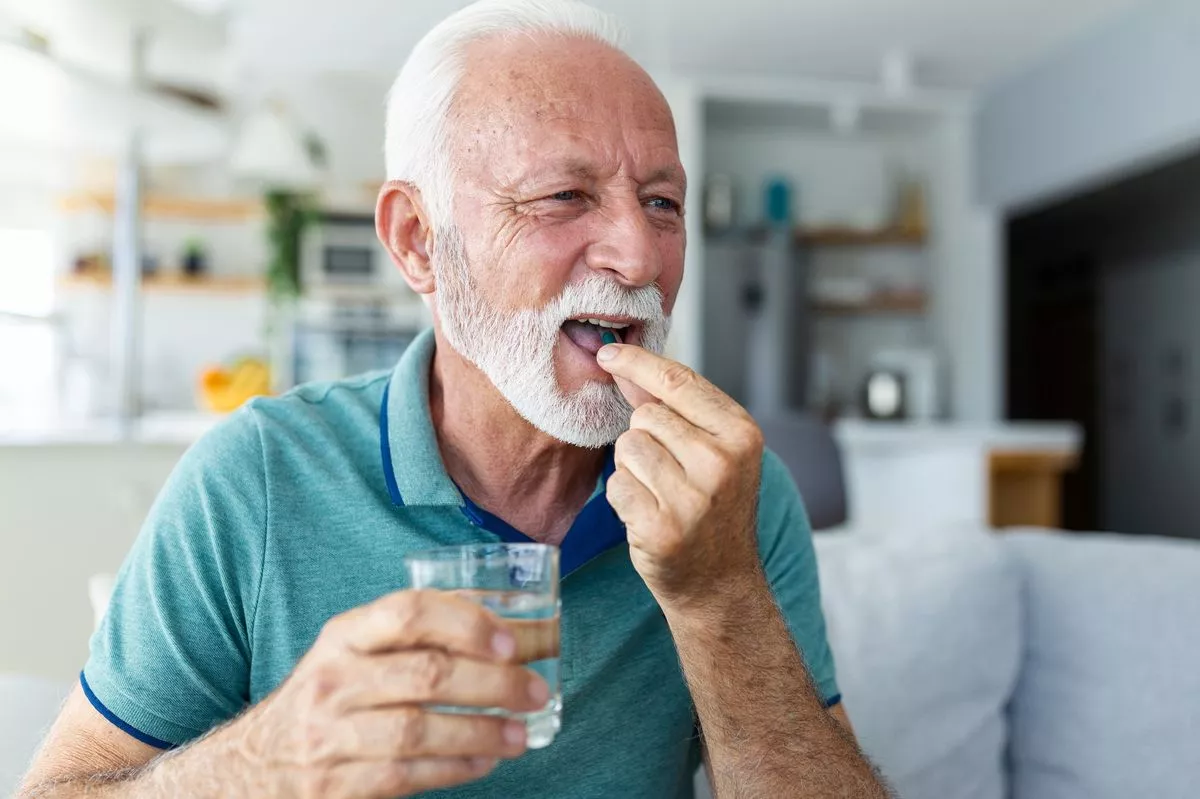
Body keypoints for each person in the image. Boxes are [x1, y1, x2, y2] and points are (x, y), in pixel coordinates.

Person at [21, 1, 889, 796]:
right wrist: (264, 760)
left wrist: (717, 594)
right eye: (564, 196)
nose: (639, 256)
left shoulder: (735, 494)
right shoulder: (255, 478)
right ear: (417, 242)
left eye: (662, 201)